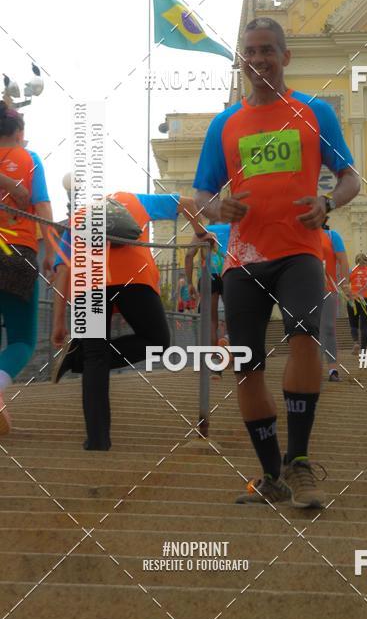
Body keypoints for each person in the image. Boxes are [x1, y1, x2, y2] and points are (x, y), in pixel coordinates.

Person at [193, 17, 359, 508]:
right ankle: (271, 476)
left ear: (285, 57)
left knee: (306, 339)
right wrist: (215, 207)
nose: (259, 58)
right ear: (241, 60)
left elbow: (348, 177)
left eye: (268, 49)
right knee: (247, 367)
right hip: (243, 261)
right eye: (250, 51)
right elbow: (202, 191)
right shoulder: (225, 124)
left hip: (300, 253)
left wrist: (328, 205)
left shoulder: (314, 112)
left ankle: (300, 461)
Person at [50, 190, 206, 450]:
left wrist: (58, 322)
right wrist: (201, 234)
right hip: (134, 277)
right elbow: (189, 203)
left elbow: (63, 270)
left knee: (95, 357)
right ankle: (80, 358)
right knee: (158, 340)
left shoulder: (77, 218)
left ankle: (98, 440)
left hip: (90, 284)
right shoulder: (134, 200)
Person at [0, 102, 54, 435]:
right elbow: (44, 208)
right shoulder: (29, 159)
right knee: (22, 340)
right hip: (16, 253)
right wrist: (51, 250)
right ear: (19, 133)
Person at [185, 222, 230, 362]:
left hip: (208, 275)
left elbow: (189, 255)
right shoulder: (232, 228)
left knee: (211, 319)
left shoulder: (203, 230)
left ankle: (213, 357)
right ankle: (228, 346)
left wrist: (189, 283)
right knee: (232, 314)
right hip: (229, 272)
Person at [319, 219, 351, 382]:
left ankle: (333, 369)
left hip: (327, 288)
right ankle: (310, 367)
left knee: (329, 328)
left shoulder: (332, 236)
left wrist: (345, 284)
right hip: (302, 290)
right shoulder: (299, 234)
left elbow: (343, 260)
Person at [347, 253, 367, 354]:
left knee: (353, 323)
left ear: (356, 261)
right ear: (366, 260)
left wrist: (349, 295)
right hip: (366, 300)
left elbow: (345, 285)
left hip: (353, 299)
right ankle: (364, 350)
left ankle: (356, 342)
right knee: (364, 326)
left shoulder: (351, 271)